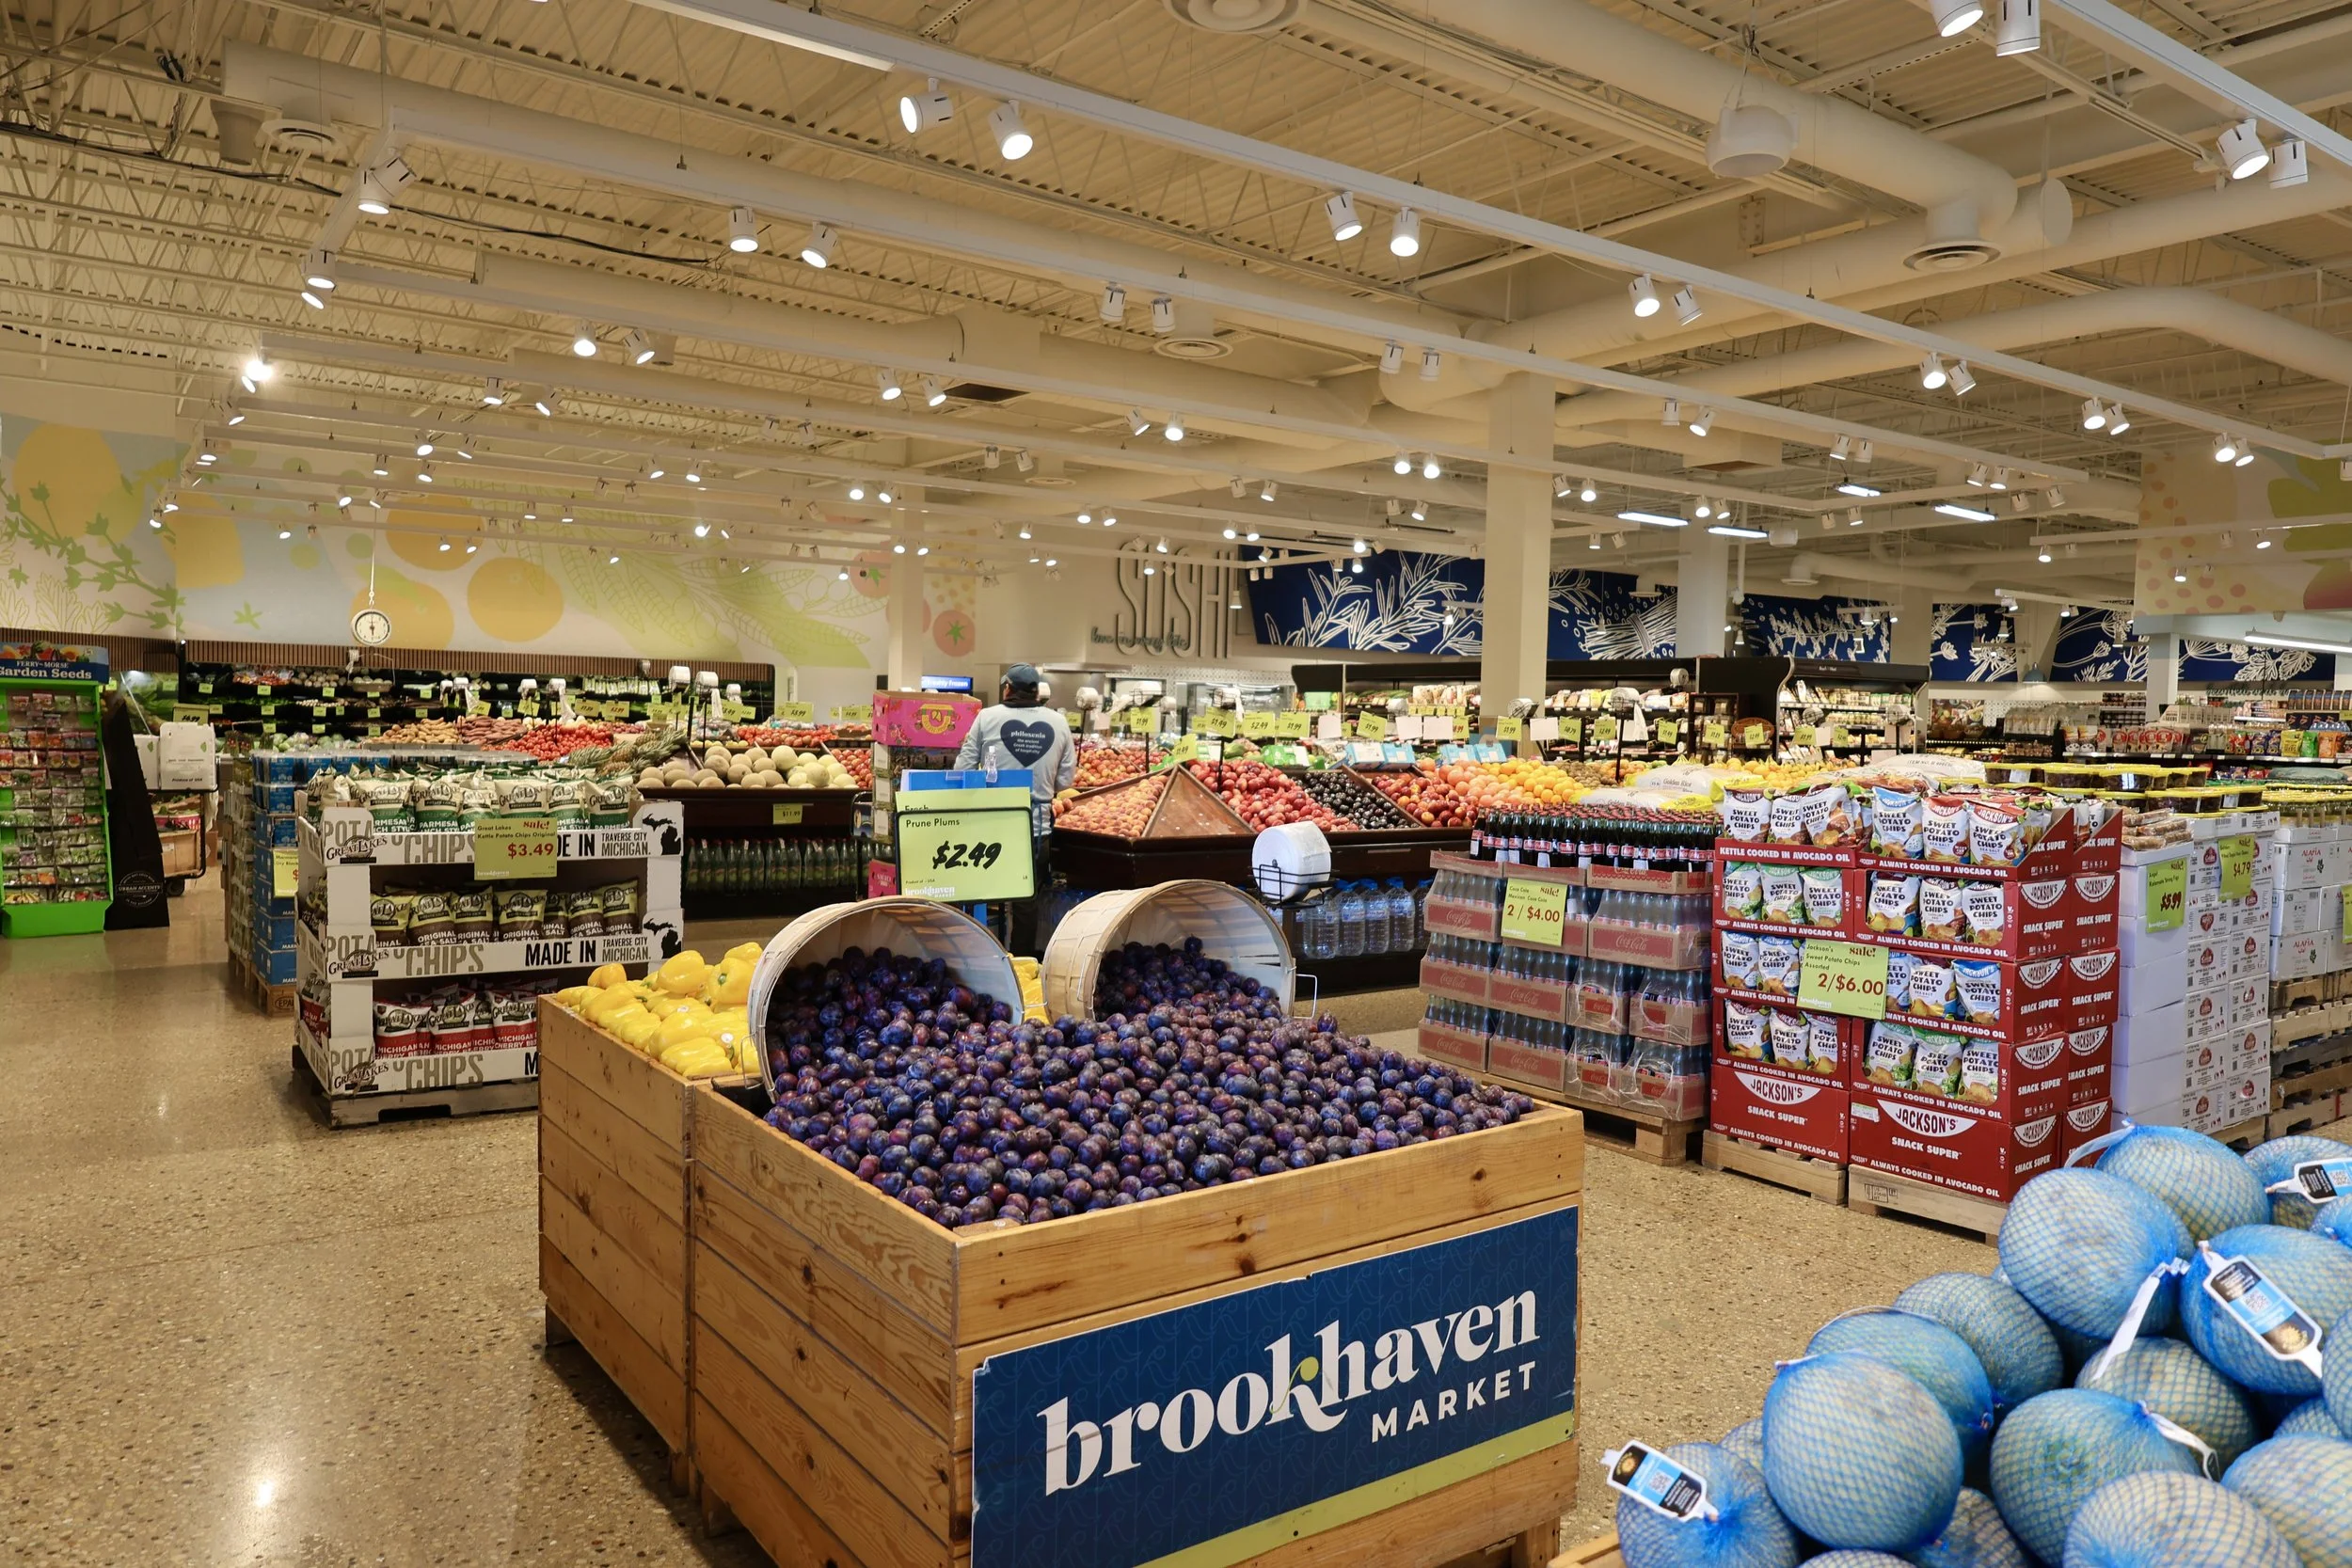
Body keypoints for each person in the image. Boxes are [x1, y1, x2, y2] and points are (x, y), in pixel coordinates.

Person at [954, 664, 1075, 954]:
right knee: (1026, 903)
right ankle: (1021, 965)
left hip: (989, 826)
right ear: (1037, 692)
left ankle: (982, 957)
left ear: (1007, 688)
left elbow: (964, 769)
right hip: (1036, 829)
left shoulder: (986, 717)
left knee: (979, 895)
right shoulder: (1058, 723)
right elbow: (1065, 780)